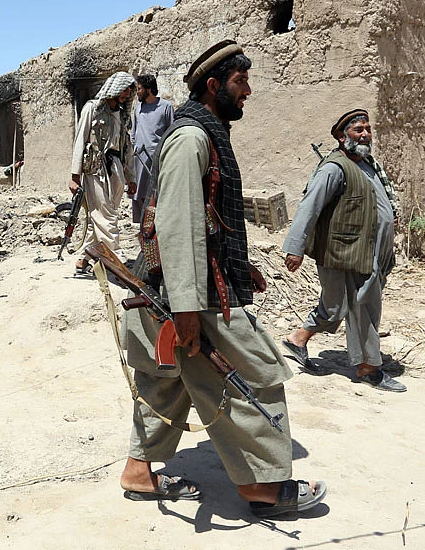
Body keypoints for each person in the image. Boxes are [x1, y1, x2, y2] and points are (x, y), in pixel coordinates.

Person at [119, 40, 326, 517]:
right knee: (255, 374)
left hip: (191, 286)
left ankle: (139, 471)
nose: (248, 91)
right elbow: (178, 225)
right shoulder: (191, 138)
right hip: (192, 295)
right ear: (214, 86)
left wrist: (238, 264)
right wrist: (186, 310)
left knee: (168, 381)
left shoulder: (207, 134)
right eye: (240, 81)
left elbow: (208, 217)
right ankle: (264, 486)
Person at [281, 109, 404, 392]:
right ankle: (369, 368)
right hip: (347, 253)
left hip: (370, 253)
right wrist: (295, 248)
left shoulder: (369, 165)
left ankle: (298, 338)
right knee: (364, 307)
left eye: (368, 129)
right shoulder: (334, 168)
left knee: (337, 306)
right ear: (341, 136)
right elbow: (309, 207)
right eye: (358, 130)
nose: (365, 135)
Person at [68, 71, 137, 273]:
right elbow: (80, 140)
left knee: (101, 214)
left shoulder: (122, 115)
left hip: (116, 168)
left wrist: (131, 177)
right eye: (124, 89)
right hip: (95, 168)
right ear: (115, 88)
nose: (127, 94)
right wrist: (75, 176)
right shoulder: (92, 108)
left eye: (129, 90)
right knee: (105, 214)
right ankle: (117, 258)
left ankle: (84, 258)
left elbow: (127, 148)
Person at [130, 74, 175, 223]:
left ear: (148, 89)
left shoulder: (166, 107)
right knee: (139, 194)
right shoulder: (138, 108)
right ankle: (143, 229)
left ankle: (158, 228)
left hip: (157, 159)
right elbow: (134, 132)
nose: (137, 92)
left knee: (157, 194)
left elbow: (171, 134)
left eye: (139, 89)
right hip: (139, 160)